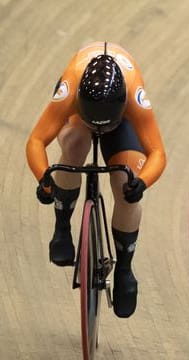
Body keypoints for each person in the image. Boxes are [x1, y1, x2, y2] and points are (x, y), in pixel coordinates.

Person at [26, 42, 166, 318]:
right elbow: (37, 140)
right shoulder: (71, 88)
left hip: (120, 117)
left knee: (126, 183)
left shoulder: (134, 95)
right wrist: (43, 179)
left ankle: (125, 269)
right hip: (81, 113)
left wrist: (142, 183)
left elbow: (158, 152)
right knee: (76, 142)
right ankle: (62, 226)